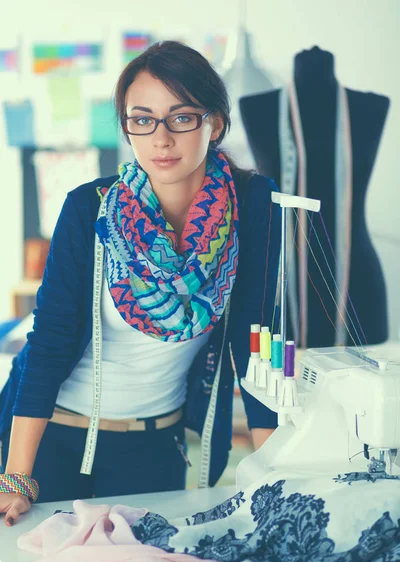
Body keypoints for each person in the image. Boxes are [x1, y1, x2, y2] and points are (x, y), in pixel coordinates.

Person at [0, 41, 281, 526]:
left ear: (214, 123)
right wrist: (17, 479)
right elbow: (49, 341)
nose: (162, 138)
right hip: (54, 438)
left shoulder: (251, 205)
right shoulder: (91, 208)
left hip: (155, 443)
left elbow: (254, 339)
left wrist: (276, 480)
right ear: (128, 126)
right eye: (142, 119)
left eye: (181, 117)